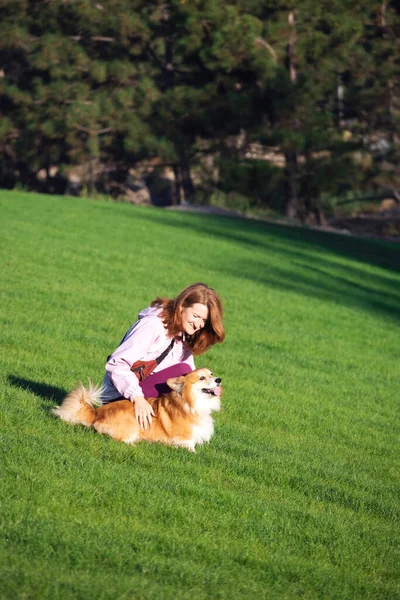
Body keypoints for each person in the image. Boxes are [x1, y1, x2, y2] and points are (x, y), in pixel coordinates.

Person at [101, 283, 225, 430]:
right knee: (182, 370)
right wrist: (137, 398)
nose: (198, 324)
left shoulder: (181, 335)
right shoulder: (152, 325)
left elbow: (191, 377)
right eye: (196, 316)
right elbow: (117, 363)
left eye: (204, 320)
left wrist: (209, 387)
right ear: (181, 307)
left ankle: (174, 429)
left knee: (187, 376)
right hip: (118, 397)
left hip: (139, 392)